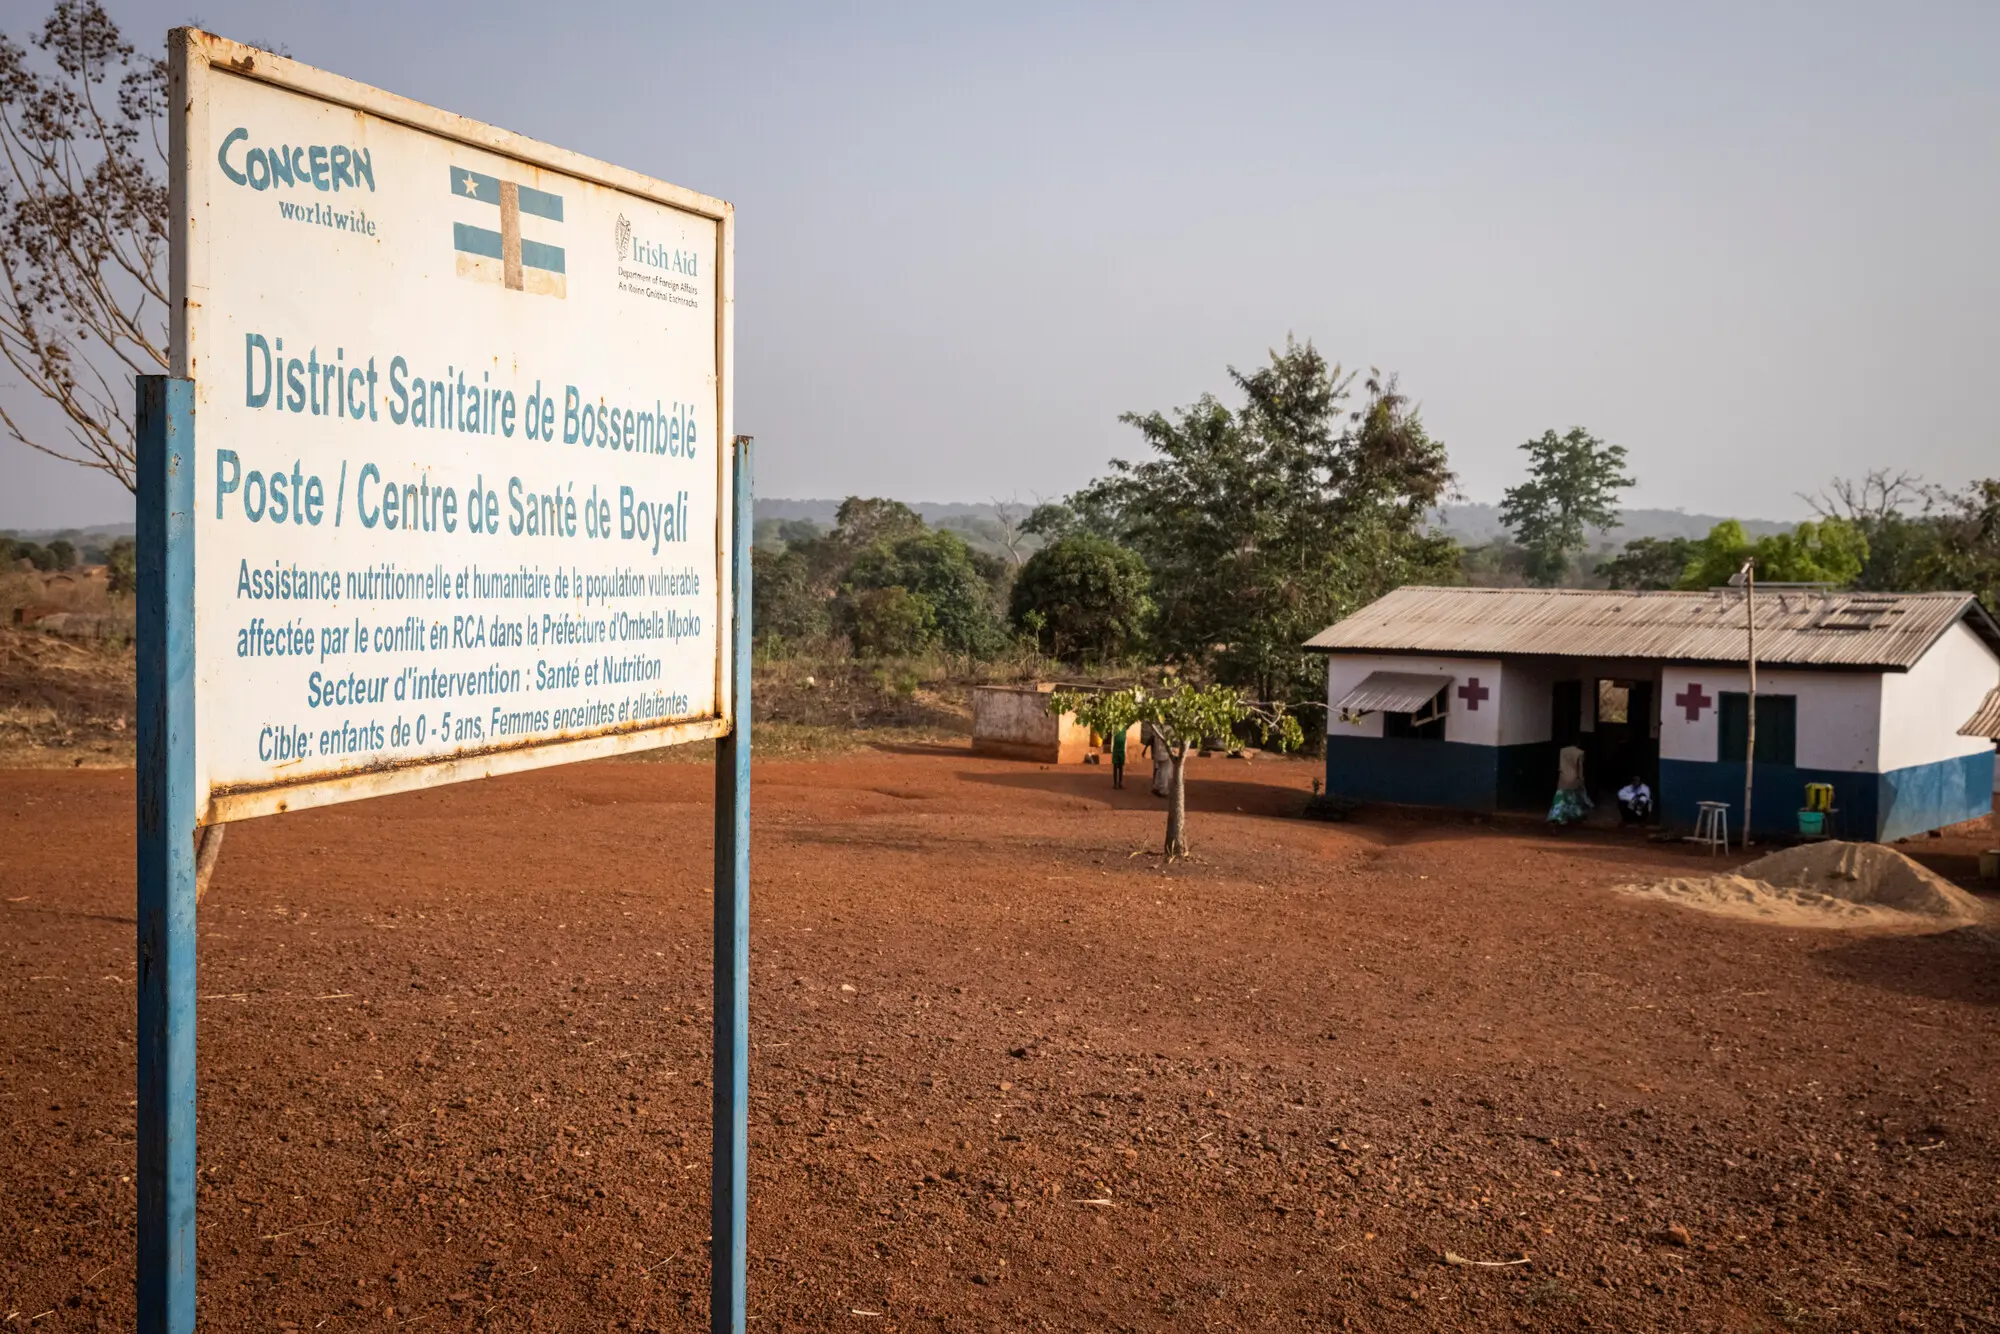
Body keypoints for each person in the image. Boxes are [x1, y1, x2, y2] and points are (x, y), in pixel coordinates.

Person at [1548, 743, 1591, 825]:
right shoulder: (1580, 753)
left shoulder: (1562, 751)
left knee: (1560, 798)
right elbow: (1580, 768)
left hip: (1563, 777)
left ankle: (1556, 816)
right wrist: (1582, 780)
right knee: (1574, 798)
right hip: (1574, 778)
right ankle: (1576, 816)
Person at [1109, 723, 1127, 789]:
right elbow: (1113, 738)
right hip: (1115, 750)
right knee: (1115, 767)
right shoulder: (1114, 727)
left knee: (1121, 767)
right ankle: (1115, 783)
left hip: (1122, 750)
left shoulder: (1124, 728)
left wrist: (1125, 750)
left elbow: (1125, 739)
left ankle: (1120, 783)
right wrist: (1112, 750)